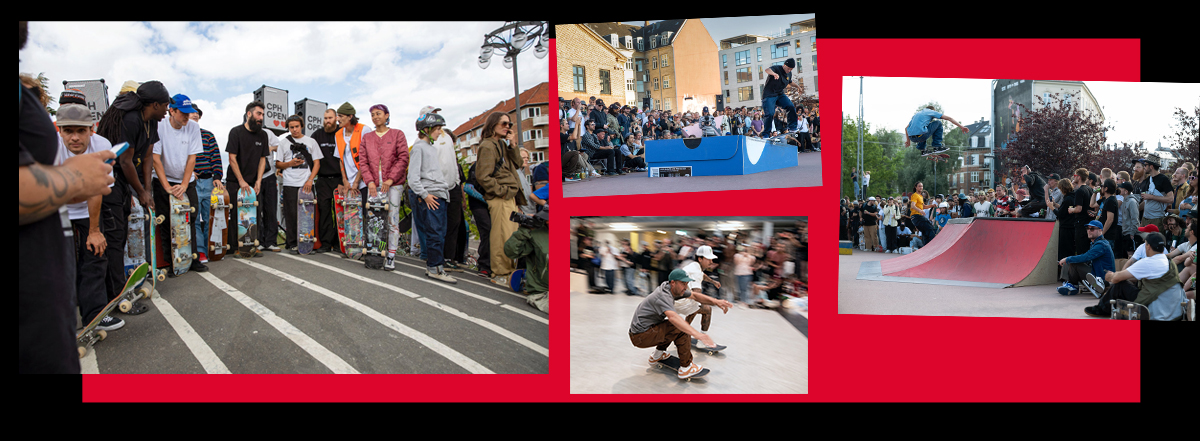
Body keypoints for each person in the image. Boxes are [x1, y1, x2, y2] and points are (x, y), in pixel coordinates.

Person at [94, 80, 170, 311]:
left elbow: (147, 158)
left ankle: (120, 288)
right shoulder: (130, 119)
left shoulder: (152, 123)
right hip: (109, 179)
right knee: (115, 239)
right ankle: (116, 297)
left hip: (126, 181)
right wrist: (139, 191)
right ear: (155, 104)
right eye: (165, 106)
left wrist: (147, 191)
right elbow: (125, 161)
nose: (167, 111)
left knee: (122, 236)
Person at [55, 95, 123, 335]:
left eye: (81, 131)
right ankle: (55, 322)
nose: (75, 137)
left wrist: (94, 231)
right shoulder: (48, 147)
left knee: (95, 255)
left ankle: (95, 315)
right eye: (68, 131)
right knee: (57, 263)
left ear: (92, 130)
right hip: (56, 207)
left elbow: (96, 190)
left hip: (88, 206)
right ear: (59, 130)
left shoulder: (102, 145)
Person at [629, 269, 724, 379]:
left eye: (687, 283)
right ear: (673, 282)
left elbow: (695, 296)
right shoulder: (663, 295)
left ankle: (657, 355)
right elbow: (673, 317)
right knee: (679, 327)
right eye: (683, 283)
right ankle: (686, 368)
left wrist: (716, 301)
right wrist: (699, 335)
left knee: (671, 327)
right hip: (640, 336)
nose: (685, 287)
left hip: (643, 332)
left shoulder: (671, 288)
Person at [151, 93, 208, 274]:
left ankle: (193, 259)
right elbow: (155, 159)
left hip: (186, 181)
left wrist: (184, 185)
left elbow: (192, 159)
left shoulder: (192, 127)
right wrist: (167, 186)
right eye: (182, 112)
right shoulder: (159, 126)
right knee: (167, 220)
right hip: (163, 179)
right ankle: (171, 262)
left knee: (190, 218)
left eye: (188, 112)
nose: (186, 116)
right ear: (172, 111)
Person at [475, 112, 527, 287]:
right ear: (492, 125)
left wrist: (513, 145)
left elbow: (519, 164)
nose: (508, 127)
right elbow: (483, 176)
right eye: (504, 123)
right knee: (501, 237)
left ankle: (509, 271)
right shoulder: (488, 146)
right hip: (501, 197)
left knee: (511, 236)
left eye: (509, 124)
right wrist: (502, 191)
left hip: (509, 197)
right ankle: (500, 273)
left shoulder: (501, 145)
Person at [358, 104, 409, 271]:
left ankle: (391, 255)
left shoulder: (397, 134)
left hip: (393, 185)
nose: (375, 117)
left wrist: (391, 179)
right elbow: (363, 161)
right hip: (373, 185)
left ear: (387, 115)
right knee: (373, 219)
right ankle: (375, 252)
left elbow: (403, 158)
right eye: (372, 114)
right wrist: (370, 181)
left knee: (392, 219)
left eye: (378, 114)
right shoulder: (367, 138)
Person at [406, 112, 456, 283]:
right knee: (434, 232)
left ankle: (436, 267)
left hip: (440, 194)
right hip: (431, 195)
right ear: (426, 130)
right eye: (437, 129)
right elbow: (413, 178)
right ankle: (435, 268)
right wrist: (425, 195)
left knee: (440, 232)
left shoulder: (431, 148)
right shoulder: (419, 148)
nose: (439, 132)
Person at [1085, 232, 1178, 318]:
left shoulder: (1147, 262)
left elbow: (1117, 278)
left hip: (1152, 302)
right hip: (1168, 303)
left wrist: (1111, 276)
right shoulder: (1169, 261)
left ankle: (1102, 308)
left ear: (1148, 246)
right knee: (1135, 282)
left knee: (1120, 285)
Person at [224, 101, 271, 258]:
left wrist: (258, 181)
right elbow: (232, 158)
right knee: (238, 214)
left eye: (263, 115)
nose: (261, 118)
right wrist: (241, 181)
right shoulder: (236, 132)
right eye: (258, 114)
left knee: (254, 214)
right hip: (235, 182)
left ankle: (252, 246)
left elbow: (263, 159)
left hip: (253, 182)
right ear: (249, 114)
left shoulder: (263, 135)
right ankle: (238, 247)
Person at [276, 114, 323, 252]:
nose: (295, 130)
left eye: (297, 126)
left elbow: (317, 163)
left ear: (301, 126)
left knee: (308, 214)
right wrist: (290, 163)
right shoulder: (283, 142)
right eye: (291, 127)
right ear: (288, 128)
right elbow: (278, 163)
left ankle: (307, 242)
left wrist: (310, 180)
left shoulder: (311, 142)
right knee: (290, 214)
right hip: (290, 182)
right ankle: (291, 243)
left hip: (306, 183)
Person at [189, 105, 223, 262]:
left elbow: (216, 157)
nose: (195, 115)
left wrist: (217, 176)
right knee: (195, 219)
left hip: (210, 181)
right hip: (192, 182)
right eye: (191, 113)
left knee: (212, 217)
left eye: (197, 113)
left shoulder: (208, 135)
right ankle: (200, 251)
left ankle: (213, 249)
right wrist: (188, 172)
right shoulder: (183, 135)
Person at [309, 109, 343, 254]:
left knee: (340, 212)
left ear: (336, 118)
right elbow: (311, 157)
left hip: (339, 179)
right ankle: (325, 243)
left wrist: (344, 181)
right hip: (322, 180)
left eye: (330, 118)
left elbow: (346, 159)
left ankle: (339, 243)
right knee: (324, 211)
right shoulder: (317, 135)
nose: (327, 121)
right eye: (325, 118)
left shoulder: (342, 133)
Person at [1058, 220, 1116, 297]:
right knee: (1073, 261)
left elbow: (1086, 257)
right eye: (1087, 229)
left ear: (1100, 230)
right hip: (1096, 275)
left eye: (1092, 229)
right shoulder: (1095, 243)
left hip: (1103, 278)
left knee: (1074, 263)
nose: (1089, 231)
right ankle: (1072, 284)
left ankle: (1075, 285)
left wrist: (1067, 259)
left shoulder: (1102, 244)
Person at [903, 106, 968, 156]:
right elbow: (949, 118)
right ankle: (937, 147)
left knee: (924, 127)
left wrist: (908, 141)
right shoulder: (931, 111)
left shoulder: (916, 115)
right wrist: (961, 127)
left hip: (912, 138)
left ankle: (923, 150)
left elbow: (906, 128)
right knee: (938, 123)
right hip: (922, 136)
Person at [761, 58, 799, 139]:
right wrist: (774, 74)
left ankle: (792, 127)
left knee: (790, 106)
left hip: (780, 95)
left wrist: (798, 87)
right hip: (769, 95)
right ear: (784, 65)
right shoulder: (777, 68)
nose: (789, 70)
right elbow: (767, 70)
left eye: (791, 69)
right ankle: (766, 134)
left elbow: (790, 82)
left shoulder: (789, 74)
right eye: (788, 68)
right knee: (770, 113)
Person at [1138, 159, 1174, 233]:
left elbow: (1171, 199)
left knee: (1155, 242)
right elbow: (1147, 201)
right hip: (1145, 219)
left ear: (1151, 166)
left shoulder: (1163, 179)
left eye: (1145, 165)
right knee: (1145, 243)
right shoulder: (1148, 179)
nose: (1144, 167)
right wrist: (1137, 210)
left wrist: (1151, 197)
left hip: (1157, 219)